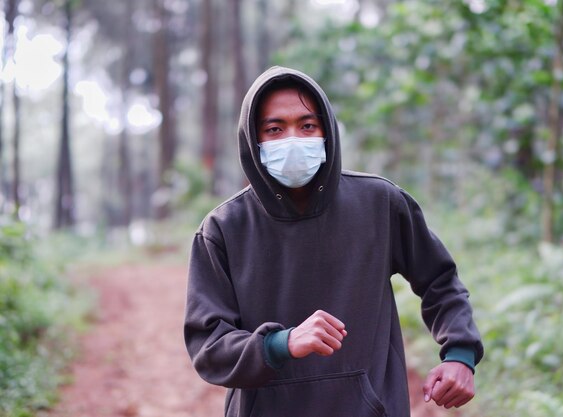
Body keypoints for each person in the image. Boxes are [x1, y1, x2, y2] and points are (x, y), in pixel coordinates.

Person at [184, 66, 483, 417]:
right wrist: (281, 344)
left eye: (307, 126)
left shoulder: (379, 203)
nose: (293, 139)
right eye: (275, 129)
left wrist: (460, 355)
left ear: (327, 132)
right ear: (254, 140)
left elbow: (440, 281)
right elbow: (209, 347)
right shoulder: (223, 229)